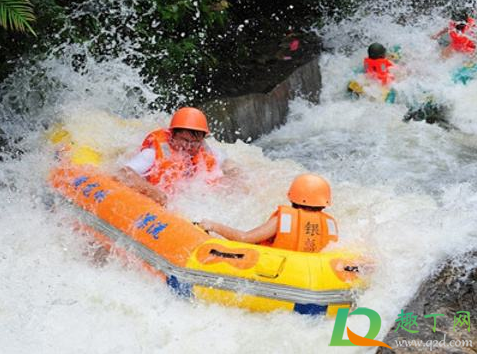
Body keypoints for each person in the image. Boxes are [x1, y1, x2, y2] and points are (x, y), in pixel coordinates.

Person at [199, 174, 339, 253]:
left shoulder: (283, 220)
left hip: (278, 274)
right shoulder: (329, 224)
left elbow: (245, 238)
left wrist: (213, 226)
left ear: (292, 196)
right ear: (324, 203)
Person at [120, 107, 229, 206]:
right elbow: (123, 172)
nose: (189, 146)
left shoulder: (206, 154)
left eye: (195, 142)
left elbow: (230, 165)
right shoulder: (151, 154)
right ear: (172, 135)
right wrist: (151, 191)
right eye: (184, 140)